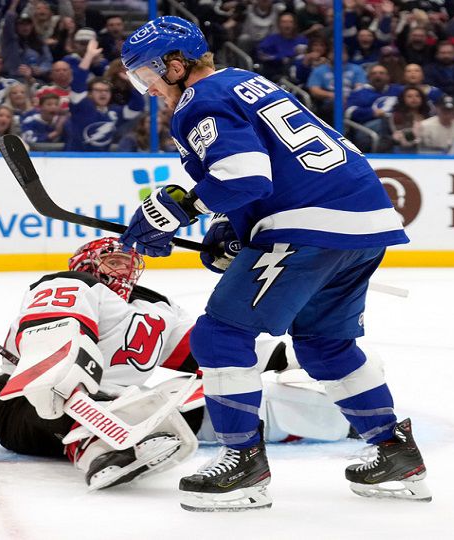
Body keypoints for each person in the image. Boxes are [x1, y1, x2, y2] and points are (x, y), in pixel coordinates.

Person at [119, 16, 429, 511]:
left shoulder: (200, 102)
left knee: (221, 335)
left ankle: (243, 465)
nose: (148, 88)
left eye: (147, 76)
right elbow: (272, 170)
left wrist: (174, 208)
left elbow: (243, 175)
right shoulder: (247, 83)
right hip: (363, 221)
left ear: (176, 67)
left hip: (310, 225)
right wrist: (237, 227)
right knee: (326, 345)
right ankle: (396, 455)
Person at [0, 237, 356, 490]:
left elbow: (206, 354)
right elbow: (57, 332)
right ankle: (96, 447)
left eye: (129, 263)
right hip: (35, 406)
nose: (124, 270)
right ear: (87, 264)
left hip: (129, 411)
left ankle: (344, 416)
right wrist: (65, 379)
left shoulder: (158, 310)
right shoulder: (70, 285)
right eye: (113, 261)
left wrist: (289, 357)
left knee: (223, 393)